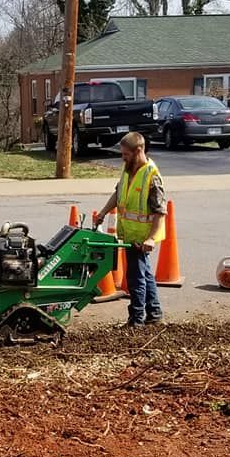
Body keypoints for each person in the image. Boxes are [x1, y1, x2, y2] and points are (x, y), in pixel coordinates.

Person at [95, 132, 166, 327]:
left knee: (135, 278)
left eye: (126, 154)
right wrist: (102, 212)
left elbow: (160, 212)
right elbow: (118, 194)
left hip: (142, 237)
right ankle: (155, 313)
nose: (123, 157)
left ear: (139, 150)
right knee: (145, 274)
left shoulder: (151, 177)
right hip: (129, 233)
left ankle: (136, 320)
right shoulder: (128, 169)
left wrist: (151, 239)